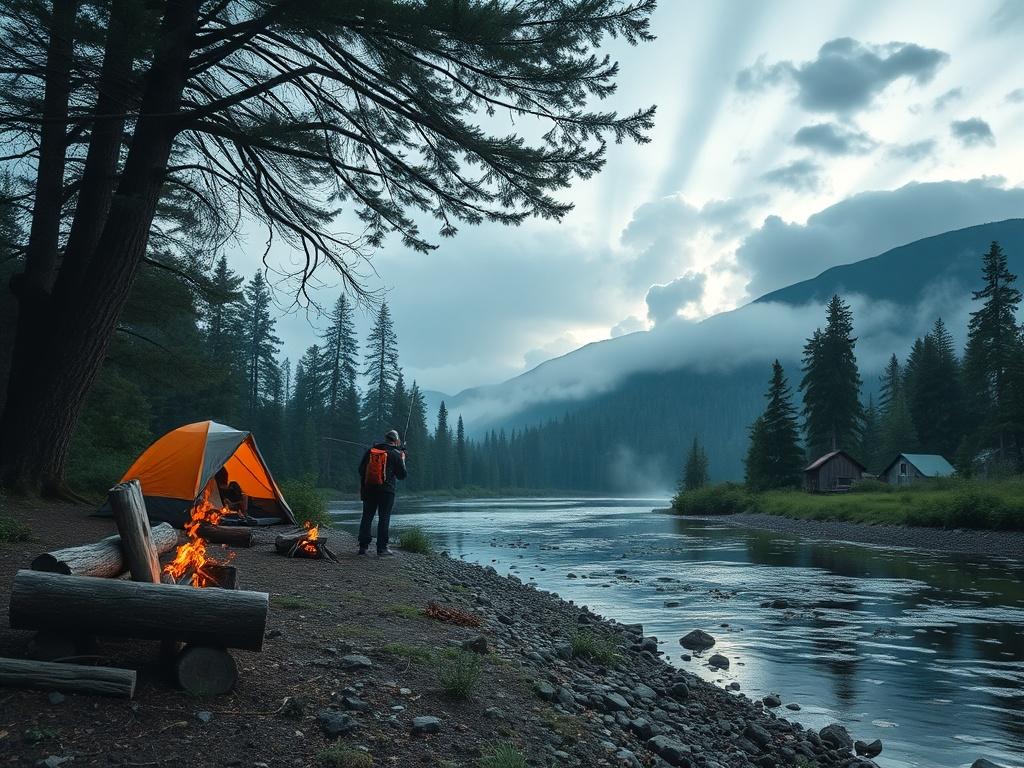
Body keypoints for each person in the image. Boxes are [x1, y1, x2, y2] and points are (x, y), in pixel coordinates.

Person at [357, 430, 407, 556]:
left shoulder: (371, 451)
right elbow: (402, 475)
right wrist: (403, 459)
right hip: (386, 491)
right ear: (396, 441)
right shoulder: (395, 454)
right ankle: (382, 548)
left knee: (367, 516)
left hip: (368, 489)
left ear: (386, 439)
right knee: (384, 518)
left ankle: (363, 547)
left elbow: (361, 470)